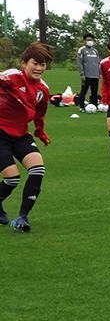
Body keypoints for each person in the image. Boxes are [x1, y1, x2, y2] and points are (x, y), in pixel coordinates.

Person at [0, 42, 52, 232]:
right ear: (24, 63)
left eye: (43, 64)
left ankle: (22, 217)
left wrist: (40, 132)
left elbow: (40, 113)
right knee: (12, 178)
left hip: (21, 134)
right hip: (0, 132)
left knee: (37, 169)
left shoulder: (43, 89)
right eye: (35, 63)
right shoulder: (11, 77)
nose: (39, 68)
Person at [76, 33, 101, 111]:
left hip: (95, 75)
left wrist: (99, 73)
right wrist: (82, 74)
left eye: (91, 40)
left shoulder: (95, 51)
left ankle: (93, 105)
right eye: (88, 40)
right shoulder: (82, 50)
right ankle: (82, 106)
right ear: (84, 41)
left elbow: (98, 63)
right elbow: (79, 62)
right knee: (84, 91)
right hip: (86, 75)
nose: (89, 41)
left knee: (94, 92)